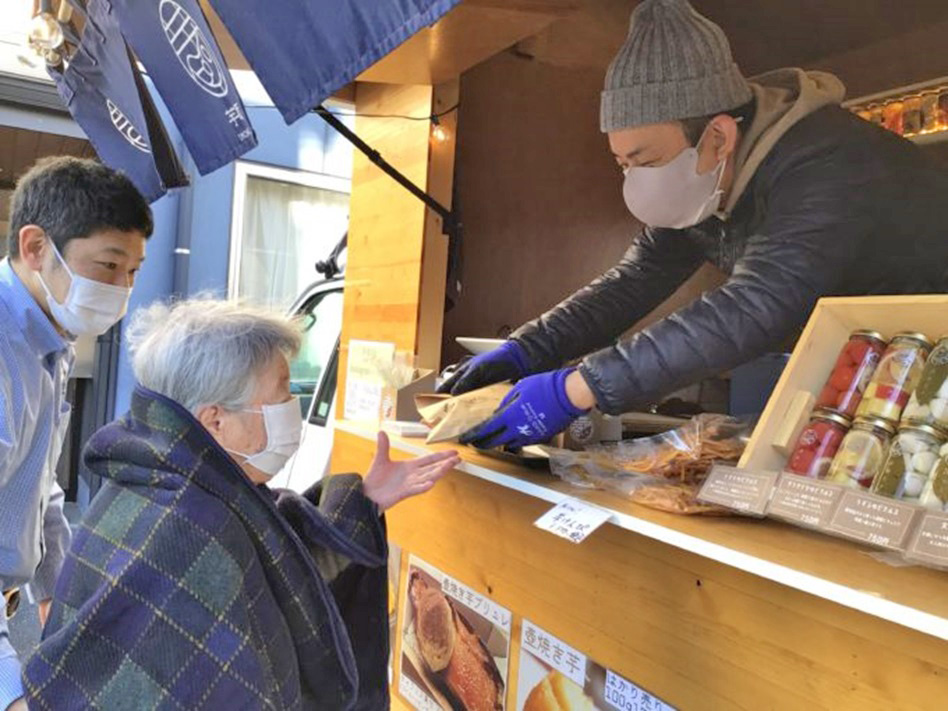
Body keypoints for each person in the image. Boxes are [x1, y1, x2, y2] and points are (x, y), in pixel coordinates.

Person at [446, 0, 948, 450]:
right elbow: (631, 281)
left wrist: (579, 387)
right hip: (864, 367)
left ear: (719, 137)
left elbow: (755, 305)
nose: (635, 180)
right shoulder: (704, 186)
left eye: (646, 159)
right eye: (623, 164)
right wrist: (527, 348)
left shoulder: (827, 163)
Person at [22, 298, 460, 710]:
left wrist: (363, 500)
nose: (294, 408)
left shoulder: (151, 478)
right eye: (283, 394)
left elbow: (280, 571)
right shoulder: (191, 526)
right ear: (216, 420)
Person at [1, 157, 151, 711]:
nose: (122, 289)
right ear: (36, 246)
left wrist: (58, 599)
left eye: (132, 272)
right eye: (109, 265)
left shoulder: (49, 338)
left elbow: (40, 487)